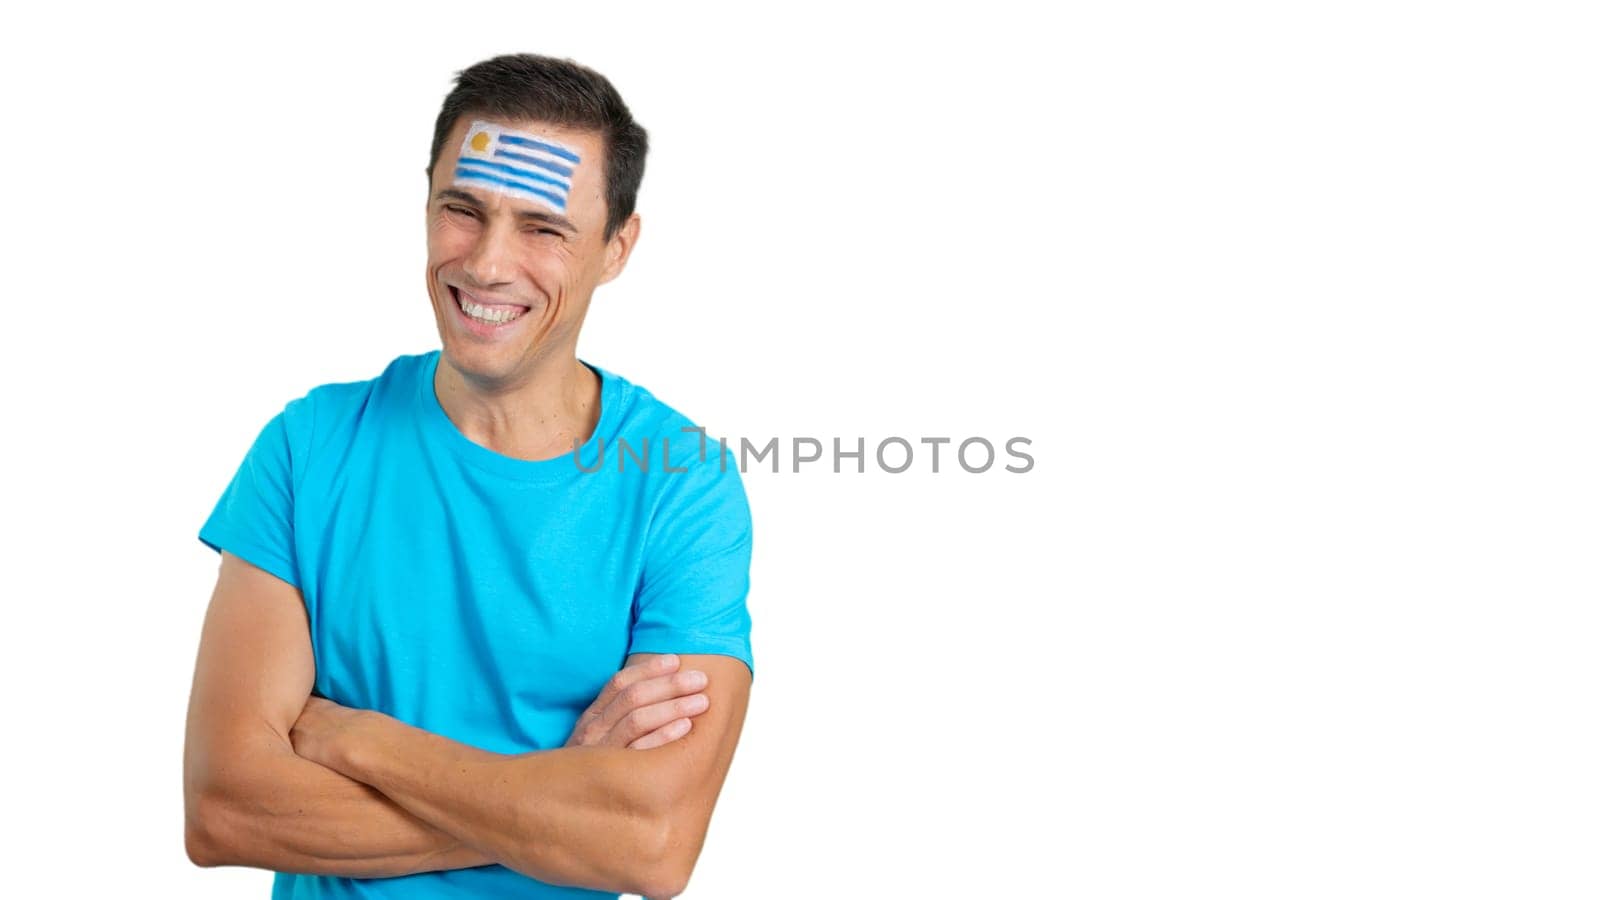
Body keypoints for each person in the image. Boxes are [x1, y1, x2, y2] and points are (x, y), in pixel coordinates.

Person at [182, 53, 755, 900]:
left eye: (543, 228)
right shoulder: (309, 445)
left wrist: (357, 741)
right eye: (463, 210)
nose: (487, 264)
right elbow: (224, 812)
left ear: (615, 248)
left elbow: (655, 846)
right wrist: (556, 798)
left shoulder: (680, 482)